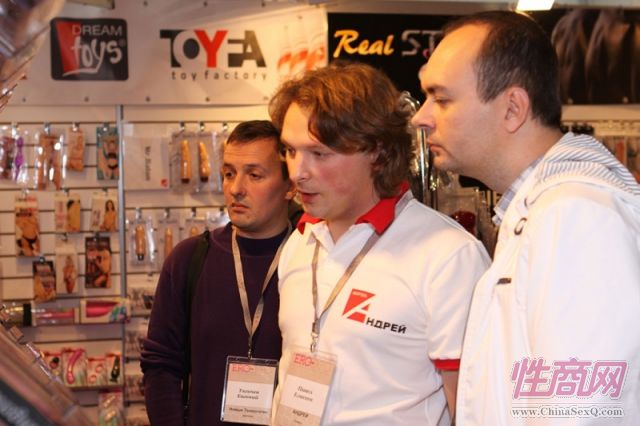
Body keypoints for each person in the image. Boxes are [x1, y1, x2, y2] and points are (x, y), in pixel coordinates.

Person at [411, 11, 640, 424]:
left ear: (513, 109)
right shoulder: (543, 211)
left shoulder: (574, 215)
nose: (421, 118)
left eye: (441, 99)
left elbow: (581, 414)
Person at [268, 61, 490, 425]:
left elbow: (472, 409)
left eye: (319, 154)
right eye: (290, 151)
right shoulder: (299, 243)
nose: (297, 172)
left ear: (377, 151)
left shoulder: (449, 256)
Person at [141, 120, 296, 425]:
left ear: (290, 186)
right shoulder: (190, 259)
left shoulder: (311, 261)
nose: (236, 189)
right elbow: (160, 365)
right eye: (229, 174)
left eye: (254, 175)